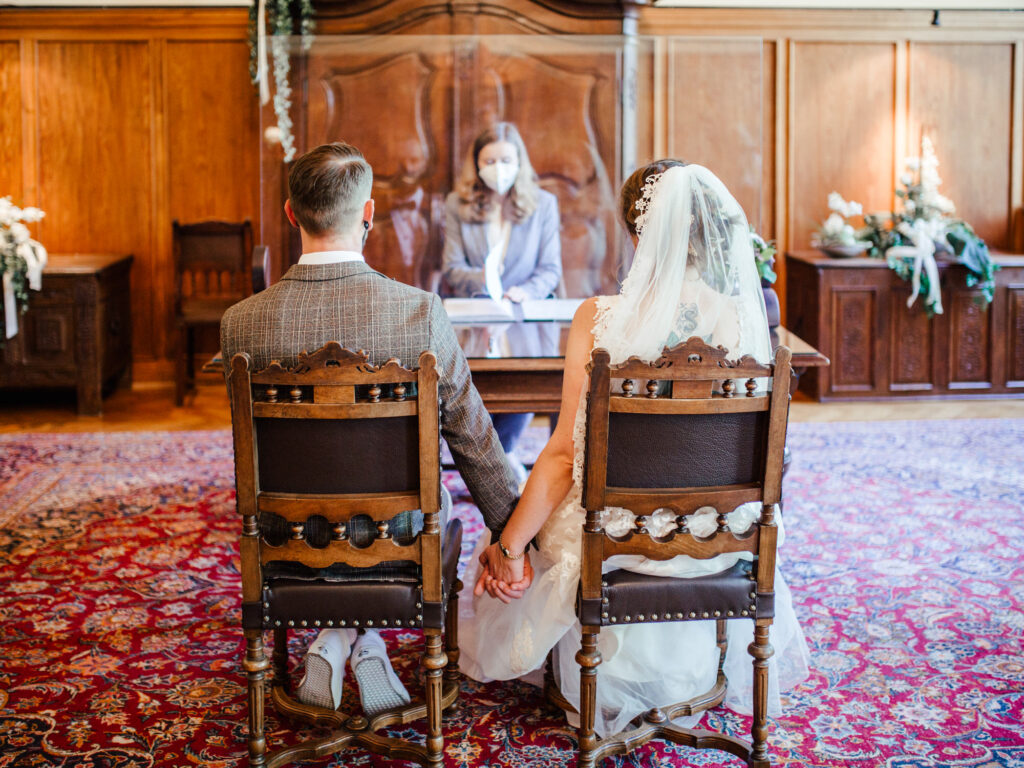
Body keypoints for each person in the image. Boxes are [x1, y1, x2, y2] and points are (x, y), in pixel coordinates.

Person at [458, 160, 810, 737]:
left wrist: (509, 546)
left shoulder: (600, 320)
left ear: (636, 232)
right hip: (718, 538)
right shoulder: (744, 318)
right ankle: (684, 672)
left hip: (619, 541)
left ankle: (597, 666)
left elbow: (566, 456)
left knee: (529, 524)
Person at [220, 142, 530, 715]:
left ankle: (340, 637)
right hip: (396, 547)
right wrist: (513, 536)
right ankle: (361, 638)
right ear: (367, 214)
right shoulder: (418, 312)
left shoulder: (242, 323)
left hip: (287, 549)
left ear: (291, 213)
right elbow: (472, 435)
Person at [442, 123, 563, 481]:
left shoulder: (543, 204)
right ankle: (499, 465)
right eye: (489, 159)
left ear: (519, 161)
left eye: (505, 159)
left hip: (525, 318)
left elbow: (550, 269)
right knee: (474, 394)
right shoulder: (457, 204)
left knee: (526, 387)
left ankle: (499, 459)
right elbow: (451, 268)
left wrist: (526, 291)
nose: (498, 166)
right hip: (478, 318)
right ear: (477, 164)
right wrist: (486, 281)